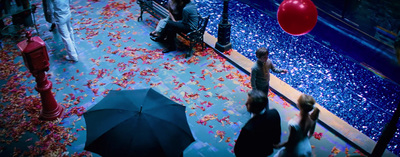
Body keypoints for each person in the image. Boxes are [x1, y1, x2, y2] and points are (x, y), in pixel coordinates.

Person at [234, 90, 281, 157]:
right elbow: (277, 134)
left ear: (255, 107)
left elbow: (238, 150)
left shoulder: (248, 129)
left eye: (248, 103)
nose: (245, 103)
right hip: (266, 151)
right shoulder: (274, 113)